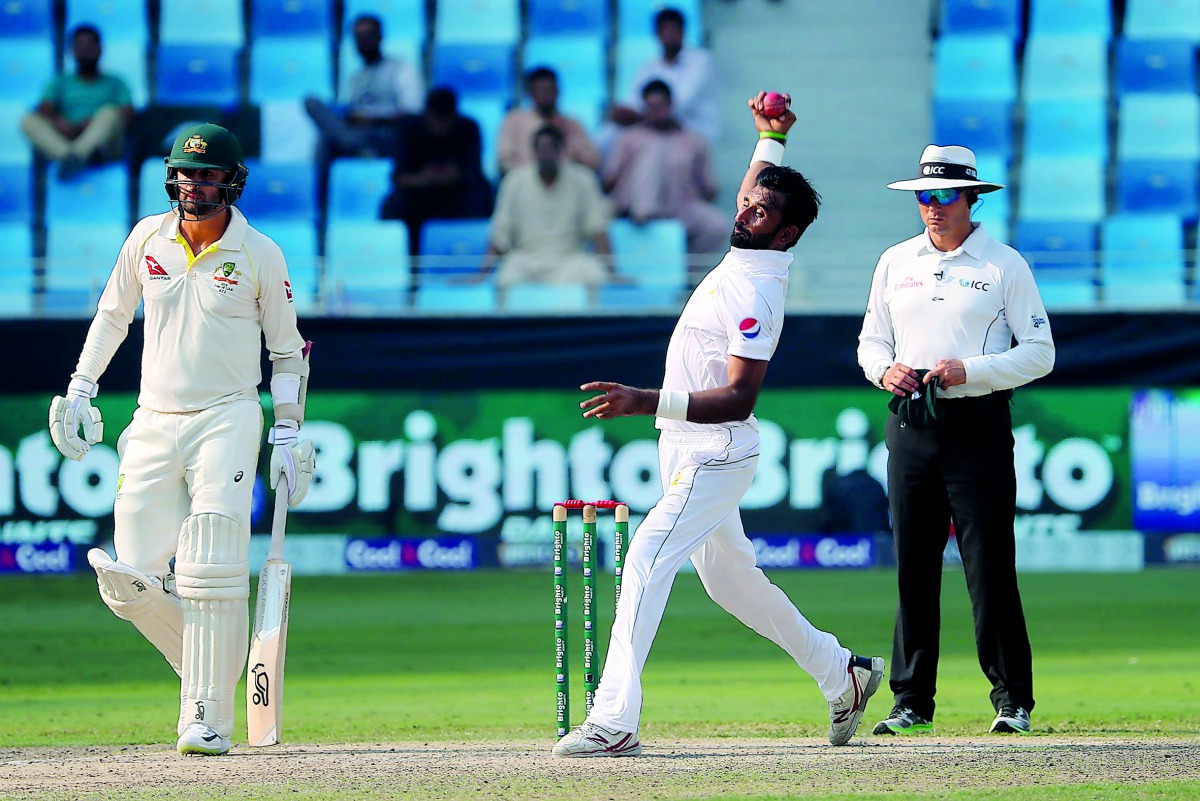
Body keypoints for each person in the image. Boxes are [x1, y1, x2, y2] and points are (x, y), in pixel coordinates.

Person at [552, 93, 884, 758]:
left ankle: (615, 718)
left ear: (785, 233)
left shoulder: (758, 288)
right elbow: (751, 189)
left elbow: (737, 395)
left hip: (717, 449)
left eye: (761, 212)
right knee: (732, 583)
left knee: (644, 557)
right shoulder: (749, 244)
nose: (745, 211)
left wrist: (645, 398)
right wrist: (772, 137)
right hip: (689, 448)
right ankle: (840, 670)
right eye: (747, 203)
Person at [47, 123, 315, 756]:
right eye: (187, 174)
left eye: (209, 174)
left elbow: (287, 351)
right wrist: (81, 388)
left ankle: (206, 717)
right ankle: (218, 674)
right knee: (128, 579)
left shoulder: (259, 253)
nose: (196, 184)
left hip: (226, 416)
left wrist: (287, 429)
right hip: (152, 420)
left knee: (211, 560)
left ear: (232, 180)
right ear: (173, 178)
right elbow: (112, 315)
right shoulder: (146, 238)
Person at [857, 144, 1055, 737]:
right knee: (912, 568)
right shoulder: (895, 261)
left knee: (988, 566)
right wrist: (883, 371)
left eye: (944, 196)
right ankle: (911, 700)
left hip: (978, 425)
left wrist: (973, 370)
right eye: (924, 196)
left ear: (972, 199)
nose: (933, 208)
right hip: (911, 422)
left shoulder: (1003, 264)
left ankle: (1012, 699)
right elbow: (871, 341)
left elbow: (1040, 353)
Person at [474, 124, 616, 306]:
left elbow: (597, 228)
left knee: (595, 275)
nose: (546, 154)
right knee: (505, 278)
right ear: (534, 151)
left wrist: (613, 272)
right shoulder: (514, 180)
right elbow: (501, 229)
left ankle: (587, 333)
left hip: (569, 258)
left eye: (551, 148)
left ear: (561, 150)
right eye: (541, 149)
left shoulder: (583, 179)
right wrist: (481, 274)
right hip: (526, 257)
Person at [604, 79, 728, 261]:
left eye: (660, 106)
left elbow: (708, 188)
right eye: (650, 107)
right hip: (635, 207)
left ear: (671, 104)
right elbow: (609, 180)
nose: (656, 112)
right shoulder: (629, 138)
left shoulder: (694, 140)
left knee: (718, 226)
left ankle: (685, 271)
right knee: (653, 149)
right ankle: (646, 213)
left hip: (680, 205)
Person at [382, 87, 493, 255]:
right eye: (437, 120)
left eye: (446, 120)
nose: (441, 127)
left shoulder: (468, 128)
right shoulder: (408, 128)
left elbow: (473, 173)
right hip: (418, 195)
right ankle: (408, 264)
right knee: (394, 206)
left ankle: (472, 256)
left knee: (481, 200)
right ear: (427, 114)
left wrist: (452, 175)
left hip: (457, 194)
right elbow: (399, 177)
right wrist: (423, 178)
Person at [304, 13, 424, 161]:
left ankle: (356, 147)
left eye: (368, 36)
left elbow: (412, 115)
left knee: (332, 139)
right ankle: (357, 149)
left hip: (387, 134)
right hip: (357, 132)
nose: (363, 42)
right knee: (314, 110)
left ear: (380, 37)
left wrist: (371, 120)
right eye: (358, 37)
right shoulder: (356, 77)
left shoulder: (401, 70)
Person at [20, 24, 134, 178]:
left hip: (104, 147)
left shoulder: (116, 82)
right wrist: (59, 122)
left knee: (109, 113)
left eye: (90, 45)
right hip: (67, 137)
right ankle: (70, 156)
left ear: (100, 49)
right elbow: (44, 109)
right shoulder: (59, 82)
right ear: (72, 50)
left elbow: (127, 115)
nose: (85, 50)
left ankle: (75, 157)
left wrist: (92, 125)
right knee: (28, 120)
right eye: (79, 45)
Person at [610, 8, 719, 146]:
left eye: (673, 30)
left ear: (682, 31)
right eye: (664, 30)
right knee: (609, 134)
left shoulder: (701, 61)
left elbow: (678, 105)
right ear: (656, 34)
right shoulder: (650, 67)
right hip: (654, 132)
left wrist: (640, 115)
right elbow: (631, 102)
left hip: (692, 135)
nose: (669, 35)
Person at [497, 66, 600, 176]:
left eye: (549, 89)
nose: (545, 95)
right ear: (530, 93)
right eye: (540, 90)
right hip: (525, 187)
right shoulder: (514, 121)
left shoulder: (572, 124)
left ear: (558, 91)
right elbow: (505, 161)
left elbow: (592, 161)